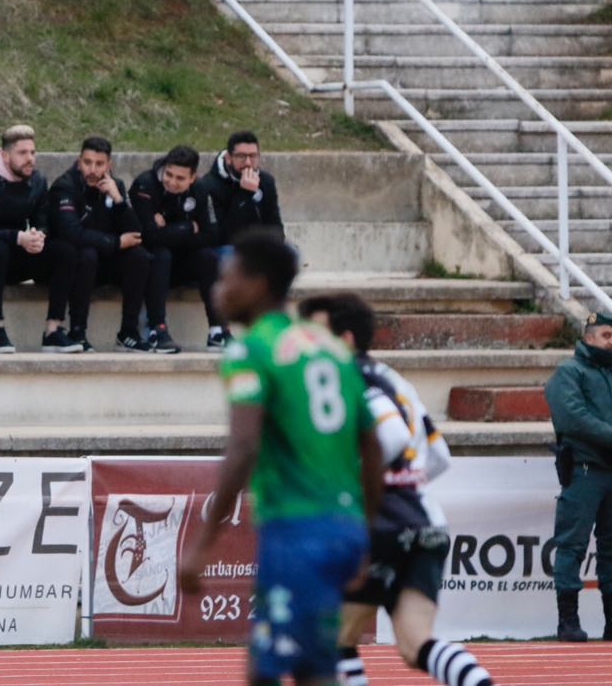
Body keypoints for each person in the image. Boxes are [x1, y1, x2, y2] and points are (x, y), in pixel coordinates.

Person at [179, 230, 381, 686]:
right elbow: (371, 446)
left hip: (295, 530)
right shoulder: (328, 345)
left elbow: (244, 446)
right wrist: (367, 535)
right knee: (314, 666)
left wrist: (202, 544)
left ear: (258, 285)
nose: (217, 289)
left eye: (226, 278)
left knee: (269, 670)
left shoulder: (251, 351)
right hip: (343, 529)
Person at [300, 294, 494, 686]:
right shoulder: (393, 377)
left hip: (380, 525)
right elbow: (438, 455)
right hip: (425, 522)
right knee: (414, 644)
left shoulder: (346, 377)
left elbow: (388, 436)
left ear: (346, 340)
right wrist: (404, 486)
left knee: (329, 638)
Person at [0, 124, 83, 355]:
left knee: (66, 252)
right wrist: (17, 237)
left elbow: (43, 220)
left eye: (33, 152)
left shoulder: (37, 180)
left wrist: (39, 236)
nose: (30, 159)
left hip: (19, 252)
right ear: (6, 155)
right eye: (23, 153)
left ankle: (53, 331)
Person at [545, 311, 612, 643]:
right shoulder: (568, 372)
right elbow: (574, 419)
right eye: (606, 335)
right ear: (589, 338)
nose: (611, 342)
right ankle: (568, 621)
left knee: (611, 550)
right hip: (584, 472)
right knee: (572, 546)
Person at [50, 136, 148, 354]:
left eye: (99, 164)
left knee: (139, 257)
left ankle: (128, 333)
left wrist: (119, 200)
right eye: (87, 162)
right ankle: (77, 331)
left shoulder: (116, 185)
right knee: (87, 254)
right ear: (79, 161)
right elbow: (71, 233)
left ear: (109, 165)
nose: (92, 170)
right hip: (78, 264)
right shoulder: (64, 186)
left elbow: (137, 234)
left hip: (108, 261)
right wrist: (115, 242)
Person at [197, 131, 284, 348]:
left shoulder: (266, 181)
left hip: (254, 249)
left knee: (288, 255)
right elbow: (220, 235)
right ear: (228, 157)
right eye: (241, 156)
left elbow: (275, 226)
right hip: (221, 250)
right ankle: (221, 331)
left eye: (253, 156)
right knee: (229, 254)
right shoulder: (208, 185)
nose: (248, 163)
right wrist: (244, 196)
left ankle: (275, 330)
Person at [127, 144, 217, 354]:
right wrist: (187, 227)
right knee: (161, 254)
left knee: (209, 257)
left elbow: (212, 235)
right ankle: (157, 329)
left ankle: (217, 330)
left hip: (183, 261)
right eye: (169, 174)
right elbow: (148, 237)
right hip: (154, 265)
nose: (172, 182)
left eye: (180, 178)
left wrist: (169, 229)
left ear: (192, 178)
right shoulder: (145, 184)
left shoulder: (201, 189)